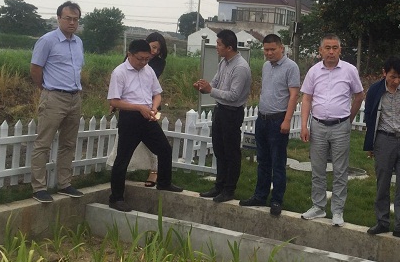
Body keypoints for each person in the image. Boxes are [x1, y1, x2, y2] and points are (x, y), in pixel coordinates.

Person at [107, 39, 183, 212]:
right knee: (123, 158)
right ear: (130, 54)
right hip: (130, 118)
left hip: (148, 117)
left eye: (146, 59)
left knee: (164, 149)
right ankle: (116, 197)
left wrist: (154, 107)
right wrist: (138, 108)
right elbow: (114, 101)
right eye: (140, 59)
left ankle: (164, 182)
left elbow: (157, 93)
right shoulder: (119, 73)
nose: (143, 62)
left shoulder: (148, 70)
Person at [300, 34, 365, 227]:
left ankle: (337, 211)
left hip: (340, 126)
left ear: (340, 50)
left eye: (335, 48)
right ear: (320, 51)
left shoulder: (349, 71)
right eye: (327, 48)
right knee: (318, 168)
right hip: (318, 126)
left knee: (340, 170)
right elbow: (306, 99)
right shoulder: (313, 72)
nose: (331, 51)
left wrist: (348, 119)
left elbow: (359, 96)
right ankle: (318, 206)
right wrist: (304, 125)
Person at [29, 1, 85, 203]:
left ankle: (64, 183)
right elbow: (35, 68)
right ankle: (39, 187)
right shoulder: (47, 41)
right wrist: (44, 88)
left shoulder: (78, 42)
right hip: (54, 96)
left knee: (68, 143)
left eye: (76, 19)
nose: (72, 22)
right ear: (59, 18)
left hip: (74, 97)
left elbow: (78, 68)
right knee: (43, 143)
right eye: (68, 18)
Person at [363, 56, 400, 241]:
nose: (396, 81)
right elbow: (370, 118)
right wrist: (371, 144)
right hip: (383, 140)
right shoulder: (375, 90)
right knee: (383, 184)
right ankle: (382, 222)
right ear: (384, 73)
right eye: (393, 77)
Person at [239, 34, 300, 216]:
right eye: (266, 50)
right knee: (262, 160)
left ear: (281, 48)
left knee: (277, 162)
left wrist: (287, 120)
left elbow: (293, 95)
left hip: (278, 120)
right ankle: (260, 195)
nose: (269, 53)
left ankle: (276, 200)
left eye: (273, 49)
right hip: (262, 118)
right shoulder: (266, 66)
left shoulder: (291, 67)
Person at [194, 29, 252, 203]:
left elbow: (234, 95)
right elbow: (215, 83)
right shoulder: (224, 63)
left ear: (229, 47)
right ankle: (219, 186)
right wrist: (204, 86)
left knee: (231, 152)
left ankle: (229, 189)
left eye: (219, 44)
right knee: (219, 149)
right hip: (220, 110)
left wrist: (210, 90)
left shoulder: (240, 67)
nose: (217, 47)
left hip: (232, 112)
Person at [143, 32, 169, 187]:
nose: (154, 52)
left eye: (158, 49)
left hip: (153, 105)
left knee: (154, 139)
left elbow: (150, 80)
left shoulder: (158, 63)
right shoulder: (131, 57)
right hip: (132, 105)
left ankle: (154, 171)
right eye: (152, 47)